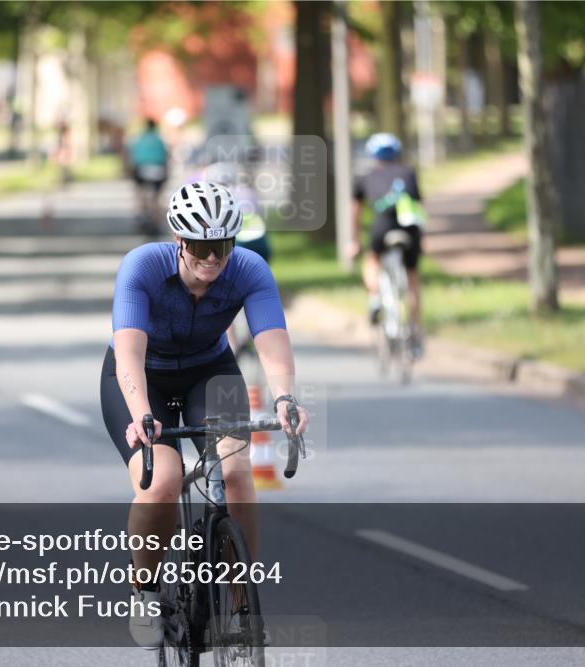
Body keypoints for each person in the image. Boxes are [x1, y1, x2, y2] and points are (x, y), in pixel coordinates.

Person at [100, 181, 309, 648]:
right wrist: (142, 415)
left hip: (209, 372)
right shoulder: (142, 267)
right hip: (140, 378)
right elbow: (129, 352)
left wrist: (284, 398)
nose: (211, 258)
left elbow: (271, 341)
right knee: (163, 482)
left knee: (236, 473)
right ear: (179, 241)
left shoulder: (250, 269)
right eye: (199, 246)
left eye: (221, 246)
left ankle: (240, 605)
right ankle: (145, 591)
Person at [349, 132, 426, 355]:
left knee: (372, 259)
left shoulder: (365, 177)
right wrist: (423, 238)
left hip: (382, 227)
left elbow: (355, 213)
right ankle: (415, 333)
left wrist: (354, 241)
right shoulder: (409, 173)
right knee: (412, 279)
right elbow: (418, 206)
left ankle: (374, 297)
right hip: (409, 229)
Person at [128, 118, 169, 231]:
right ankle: (156, 220)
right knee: (157, 197)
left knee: (139, 193)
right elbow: (165, 157)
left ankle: (141, 212)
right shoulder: (159, 140)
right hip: (158, 169)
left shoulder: (139, 139)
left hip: (141, 169)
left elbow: (133, 156)